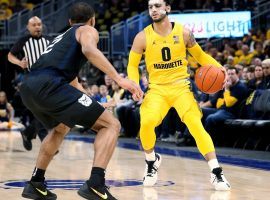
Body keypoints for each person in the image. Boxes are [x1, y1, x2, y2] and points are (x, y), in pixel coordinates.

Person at [19, 2, 143, 200]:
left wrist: (93, 103)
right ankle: (95, 184)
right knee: (111, 125)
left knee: (60, 128)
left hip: (28, 86)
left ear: (69, 21)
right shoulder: (86, 30)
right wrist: (119, 79)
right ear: (93, 20)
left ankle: (35, 183)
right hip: (50, 85)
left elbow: (73, 82)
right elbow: (89, 50)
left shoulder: (61, 39)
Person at [127, 0, 230, 190]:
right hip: (157, 89)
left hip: (181, 87)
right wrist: (134, 84)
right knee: (147, 122)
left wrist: (219, 67)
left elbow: (200, 56)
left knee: (195, 124)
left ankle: (217, 172)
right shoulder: (142, 37)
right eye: (150, 7)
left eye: (158, 5)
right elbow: (132, 65)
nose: (154, 10)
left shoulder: (184, 32)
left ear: (167, 8)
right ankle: (151, 161)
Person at [8, 16, 52, 150]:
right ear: (28, 27)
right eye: (34, 25)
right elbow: (10, 56)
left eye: (39, 24)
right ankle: (47, 143)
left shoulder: (49, 41)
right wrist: (20, 63)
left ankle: (27, 133)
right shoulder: (23, 41)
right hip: (32, 81)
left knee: (46, 112)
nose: (37, 27)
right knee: (42, 110)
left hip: (48, 80)